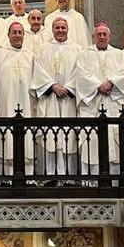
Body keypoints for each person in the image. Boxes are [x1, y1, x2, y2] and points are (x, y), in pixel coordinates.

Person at [75, 24, 124, 174]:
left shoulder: (119, 54)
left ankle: (118, 179)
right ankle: (93, 180)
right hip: (93, 103)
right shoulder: (84, 54)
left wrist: (111, 83)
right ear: (93, 37)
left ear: (109, 36)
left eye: (104, 34)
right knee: (92, 141)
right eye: (98, 34)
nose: (101, 37)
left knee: (116, 138)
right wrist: (98, 86)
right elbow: (81, 75)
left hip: (113, 102)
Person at [31, 18, 81, 176]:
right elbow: (37, 71)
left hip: (68, 99)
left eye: (63, 27)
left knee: (69, 137)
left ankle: (69, 176)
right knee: (50, 137)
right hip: (50, 98)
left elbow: (81, 72)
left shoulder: (77, 49)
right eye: (57, 28)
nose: (60, 30)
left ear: (68, 29)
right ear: (52, 30)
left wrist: (68, 88)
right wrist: (52, 86)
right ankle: (49, 175)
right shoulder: (42, 49)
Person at [0, 22, 35, 175]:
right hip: (4, 105)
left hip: (27, 105)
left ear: (24, 35)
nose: (17, 35)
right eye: (14, 32)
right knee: (5, 138)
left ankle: (27, 174)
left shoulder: (31, 55)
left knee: (26, 138)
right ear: (8, 35)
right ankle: (4, 175)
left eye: (20, 32)